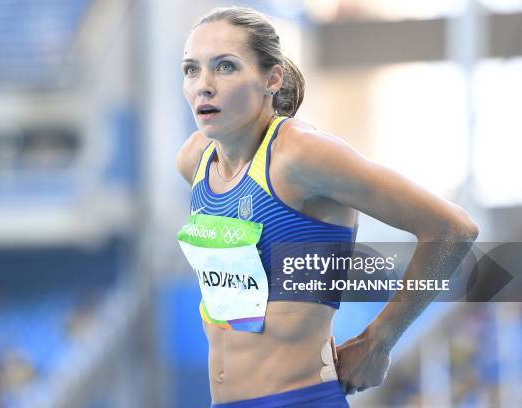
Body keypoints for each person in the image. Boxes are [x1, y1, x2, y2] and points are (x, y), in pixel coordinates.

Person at [175, 6, 478, 408]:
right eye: (191, 70)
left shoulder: (301, 155)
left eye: (225, 67)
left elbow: (453, 229)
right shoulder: (195, 161)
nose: (203, 85)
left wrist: (379, 340)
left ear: (272, 78)